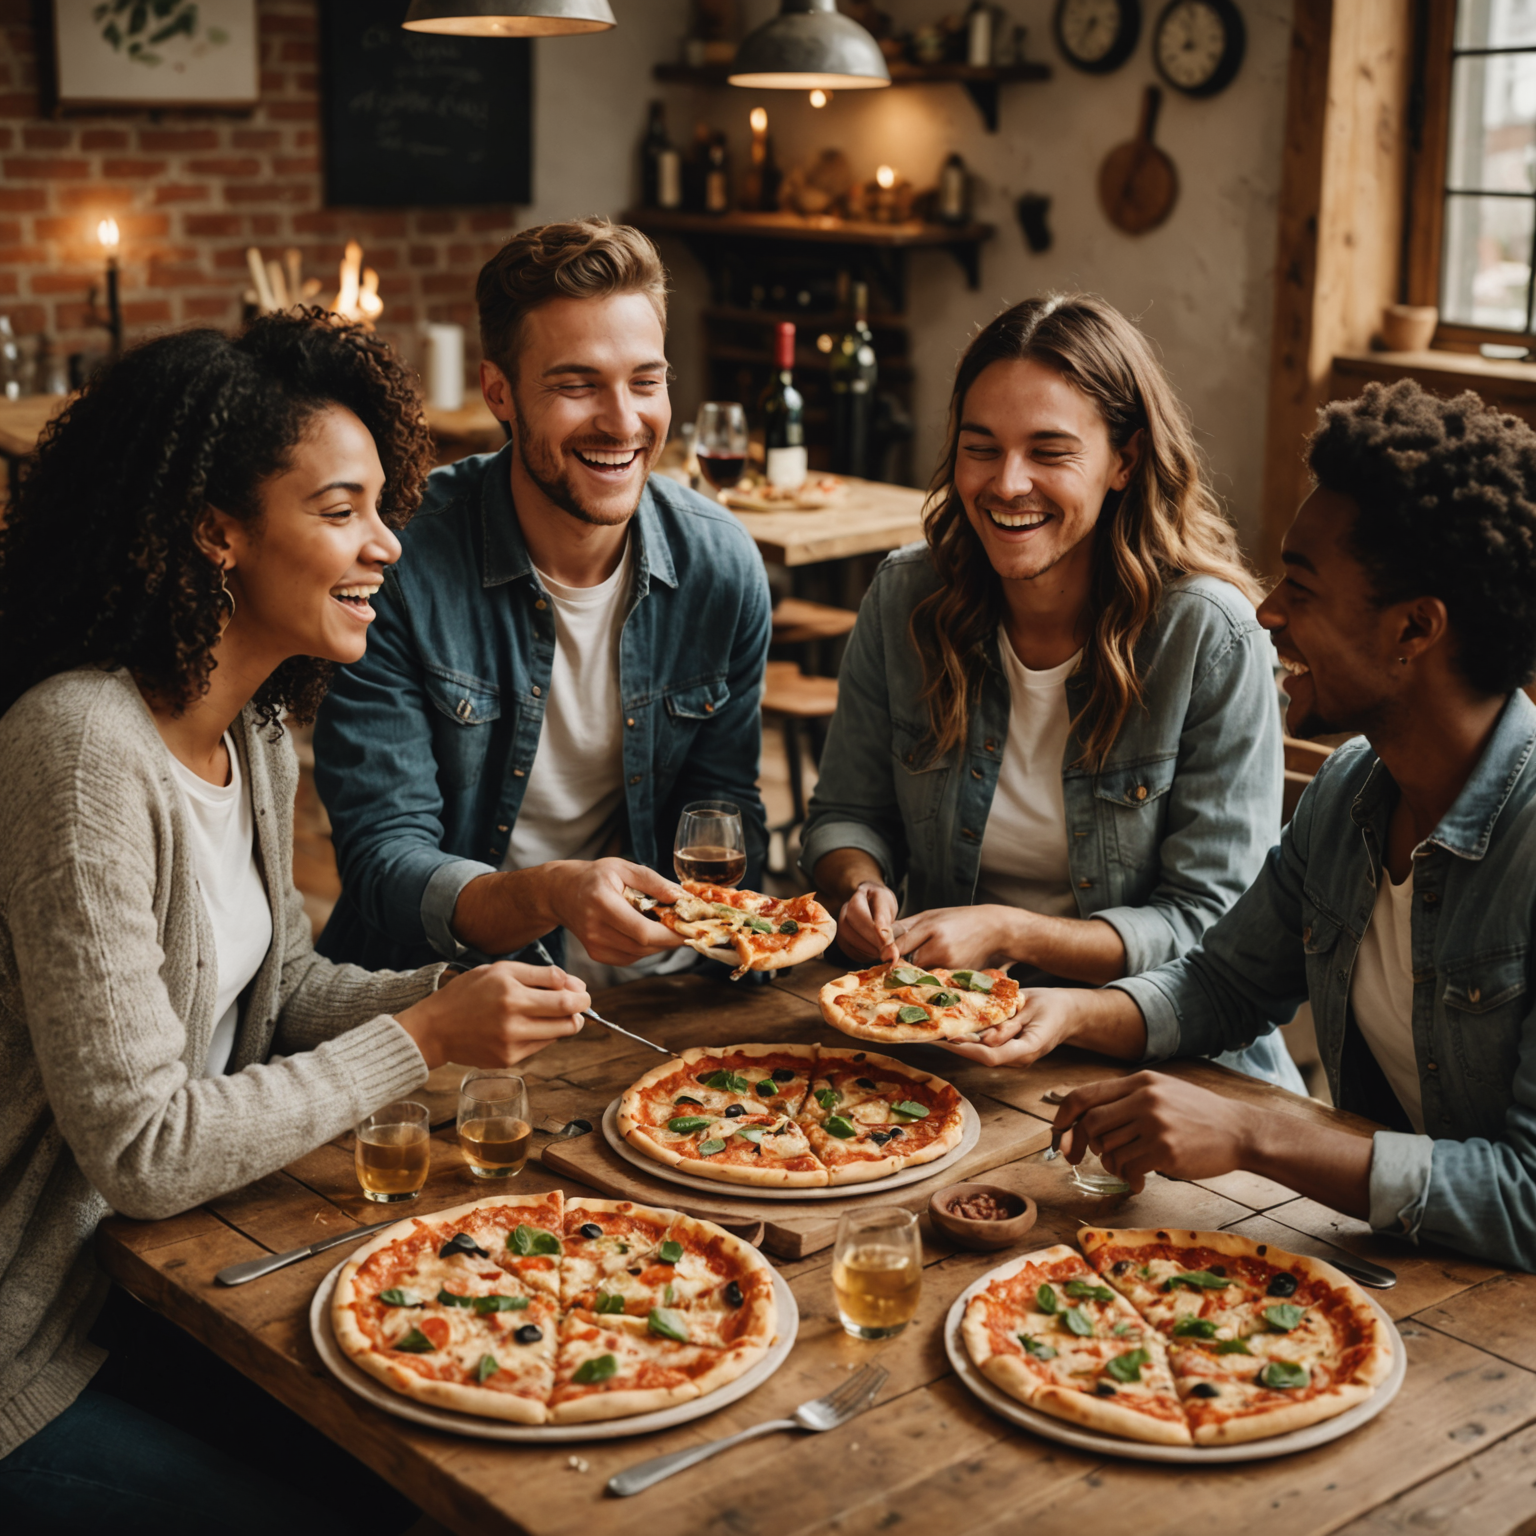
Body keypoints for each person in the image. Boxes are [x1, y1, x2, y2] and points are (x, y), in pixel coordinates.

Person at [0, 313, 591, 1533]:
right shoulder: (80, 750)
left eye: (384, 506)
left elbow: (279, 998)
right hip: (34, 1339)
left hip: (159, 1288)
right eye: (340, 510)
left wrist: (474, 995)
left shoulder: (253, 731)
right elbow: (147, 1148)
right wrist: (424, 1038)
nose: (386, 545)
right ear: (215, 529)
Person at [958, 380, 1536, 1272]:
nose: (1266, 612)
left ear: (1414, 629)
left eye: (1299, 587)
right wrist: (1058, 1011)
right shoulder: (1351, 793)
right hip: (1402, 1262)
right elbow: (1223, 987)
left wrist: (1255, 1134)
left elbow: (1527, 1198)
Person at [801, 293, 1302, 1088]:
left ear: (1125, 462)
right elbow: (844, 817)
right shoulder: (905, 597)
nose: (1007, 483)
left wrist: (1013, 934)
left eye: (1050, 451)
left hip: (1169, 1067)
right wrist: (861, 889)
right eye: (981, 448)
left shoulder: (1208, 633)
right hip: (944, 1040)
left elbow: (1212, 926)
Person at [312, 219, 772, 989]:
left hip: (655, 1000)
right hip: (437, 995)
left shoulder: (720, 567)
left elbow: (722, 814)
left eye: (646, 380)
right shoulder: (396, 564)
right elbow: (384, 863)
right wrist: (555, 895)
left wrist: (701, 927)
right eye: (577, 384)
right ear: (500, 392)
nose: (623, 422)